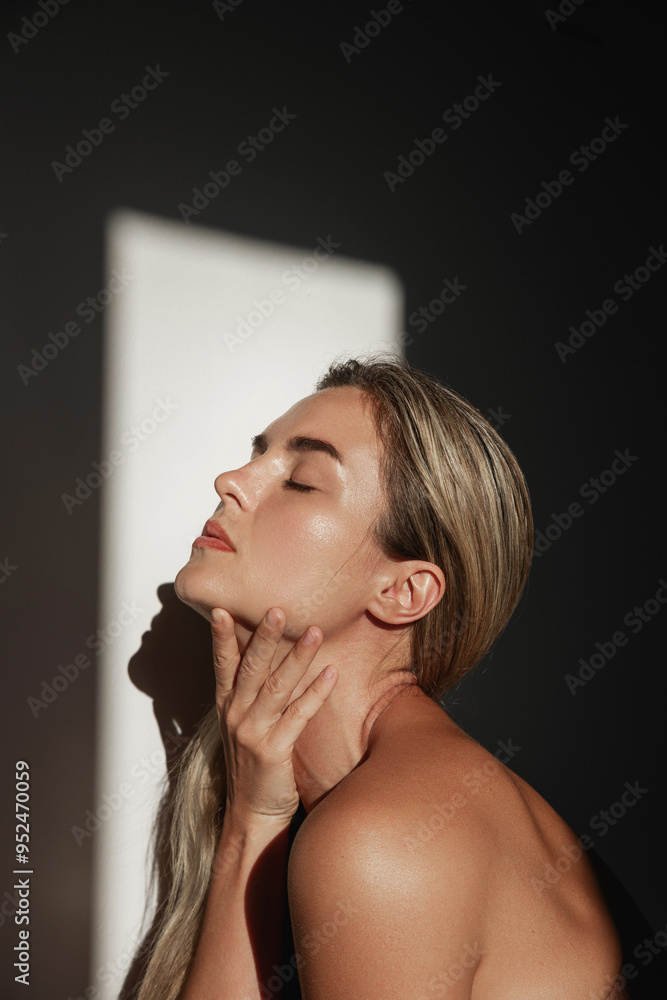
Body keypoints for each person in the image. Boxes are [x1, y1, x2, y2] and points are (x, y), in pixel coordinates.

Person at [133, 353, 629, 1000]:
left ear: (403, 592)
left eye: (302, 480)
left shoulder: (388, 835)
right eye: (256, 455)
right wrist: (253, 821)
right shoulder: (363, 810)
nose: (231, 479)